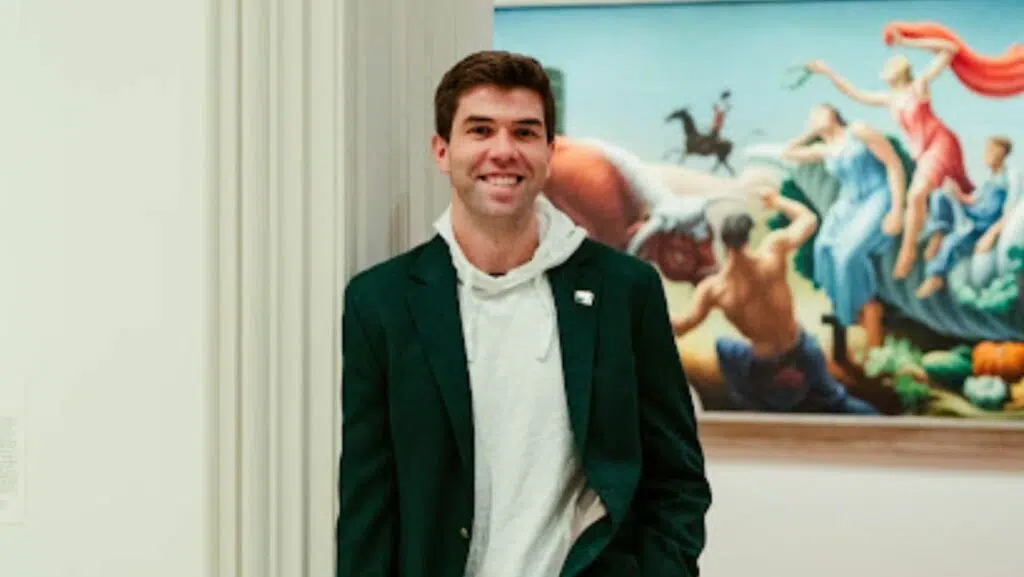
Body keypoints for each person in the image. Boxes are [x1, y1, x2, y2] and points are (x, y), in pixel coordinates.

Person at [335, 50, 712, 577]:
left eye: (525, 132)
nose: (503, 150)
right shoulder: (381, 303)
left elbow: (676, 477)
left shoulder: (626, 291)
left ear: (549, 152)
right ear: (442, 151)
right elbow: (367, 506)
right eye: (480, 130)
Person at [671, 189, 879, 415]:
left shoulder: (717, 290)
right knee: (839, 403)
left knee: (725, 348)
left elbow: (681, 326)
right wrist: (777, 201)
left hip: (767, 365)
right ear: (747, 237)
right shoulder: (772, 253)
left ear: (721, 243)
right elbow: (808, 220)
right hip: (799, 350)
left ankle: (752, 405)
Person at [807, 30, 972, 280]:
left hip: (940, 143)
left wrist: (906, 42)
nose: (884, 72)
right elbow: (853, 93)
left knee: (916, 195)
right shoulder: (889, 99)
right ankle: (937, 237)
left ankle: (907, 253)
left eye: (889, 68)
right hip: (924, 151)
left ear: (900, 72)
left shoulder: (919, 86)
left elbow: (950, 49)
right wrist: (827, 71)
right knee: (942, 194)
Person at [779, 103, 906, 347]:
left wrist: (897, 210)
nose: (815, 117)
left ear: (834, 114)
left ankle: (868, 307)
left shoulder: (858, 131)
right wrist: (810, 133)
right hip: (848, 203)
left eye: (820, 112)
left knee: (847, 254)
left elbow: (893, 163)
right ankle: (848, 309)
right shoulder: (825, 149)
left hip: (876, 195)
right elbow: (788, 152)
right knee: (823, 249)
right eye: (812, 116)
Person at [917, 136, 1014, 297]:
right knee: (940, 196)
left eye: (989, 151)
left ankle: (935, 276)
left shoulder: (1007, 179)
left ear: (1001, 153)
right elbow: (973, 200)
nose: (985, 155)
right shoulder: (990, 179)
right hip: (974, 214)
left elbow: (1005, 211)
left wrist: (992, 234)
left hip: (982, 225)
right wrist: (956, 193)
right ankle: (938, 233)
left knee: (951, 243)